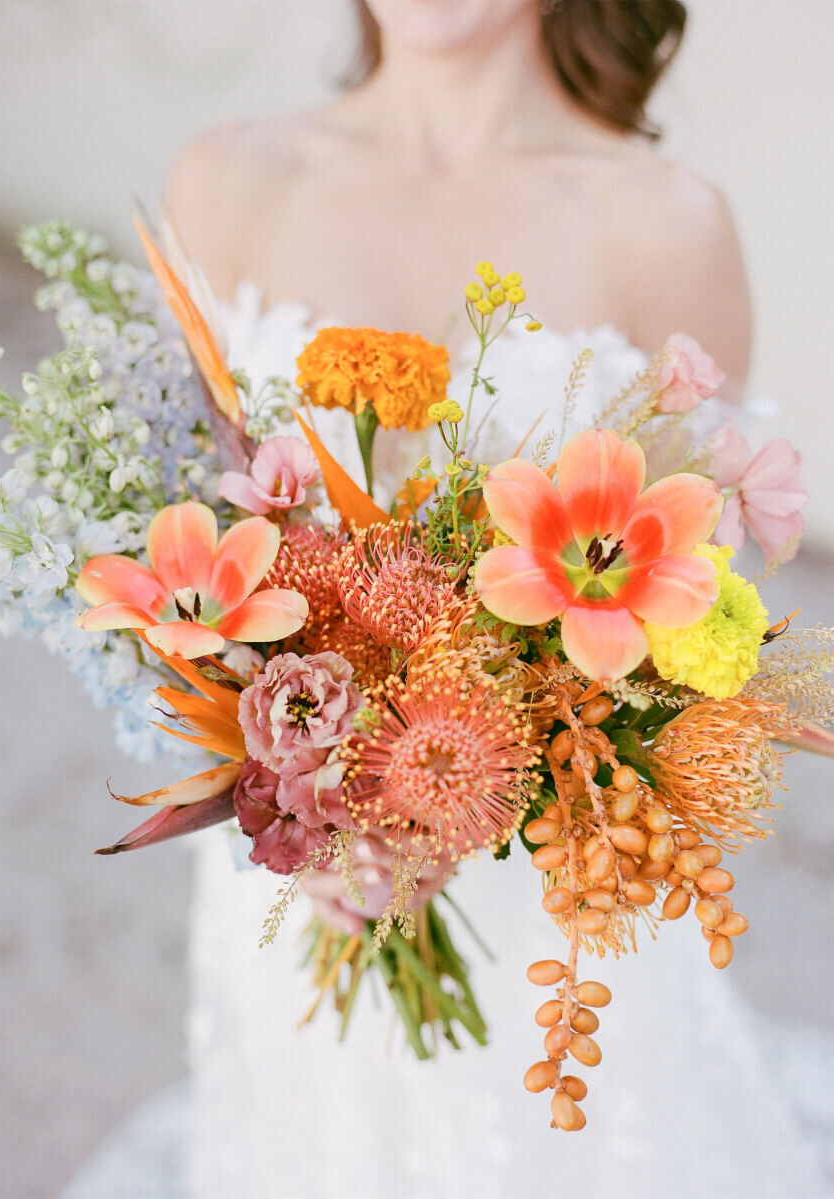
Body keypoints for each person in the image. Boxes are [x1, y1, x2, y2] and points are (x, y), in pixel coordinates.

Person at [65, 3, 824, 1196]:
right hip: (298, 853)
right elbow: (189, 544)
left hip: (546, 871)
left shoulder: (666, 224)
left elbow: (684, 600)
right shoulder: (229, 180)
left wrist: (472, 772)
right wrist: (308, 792)